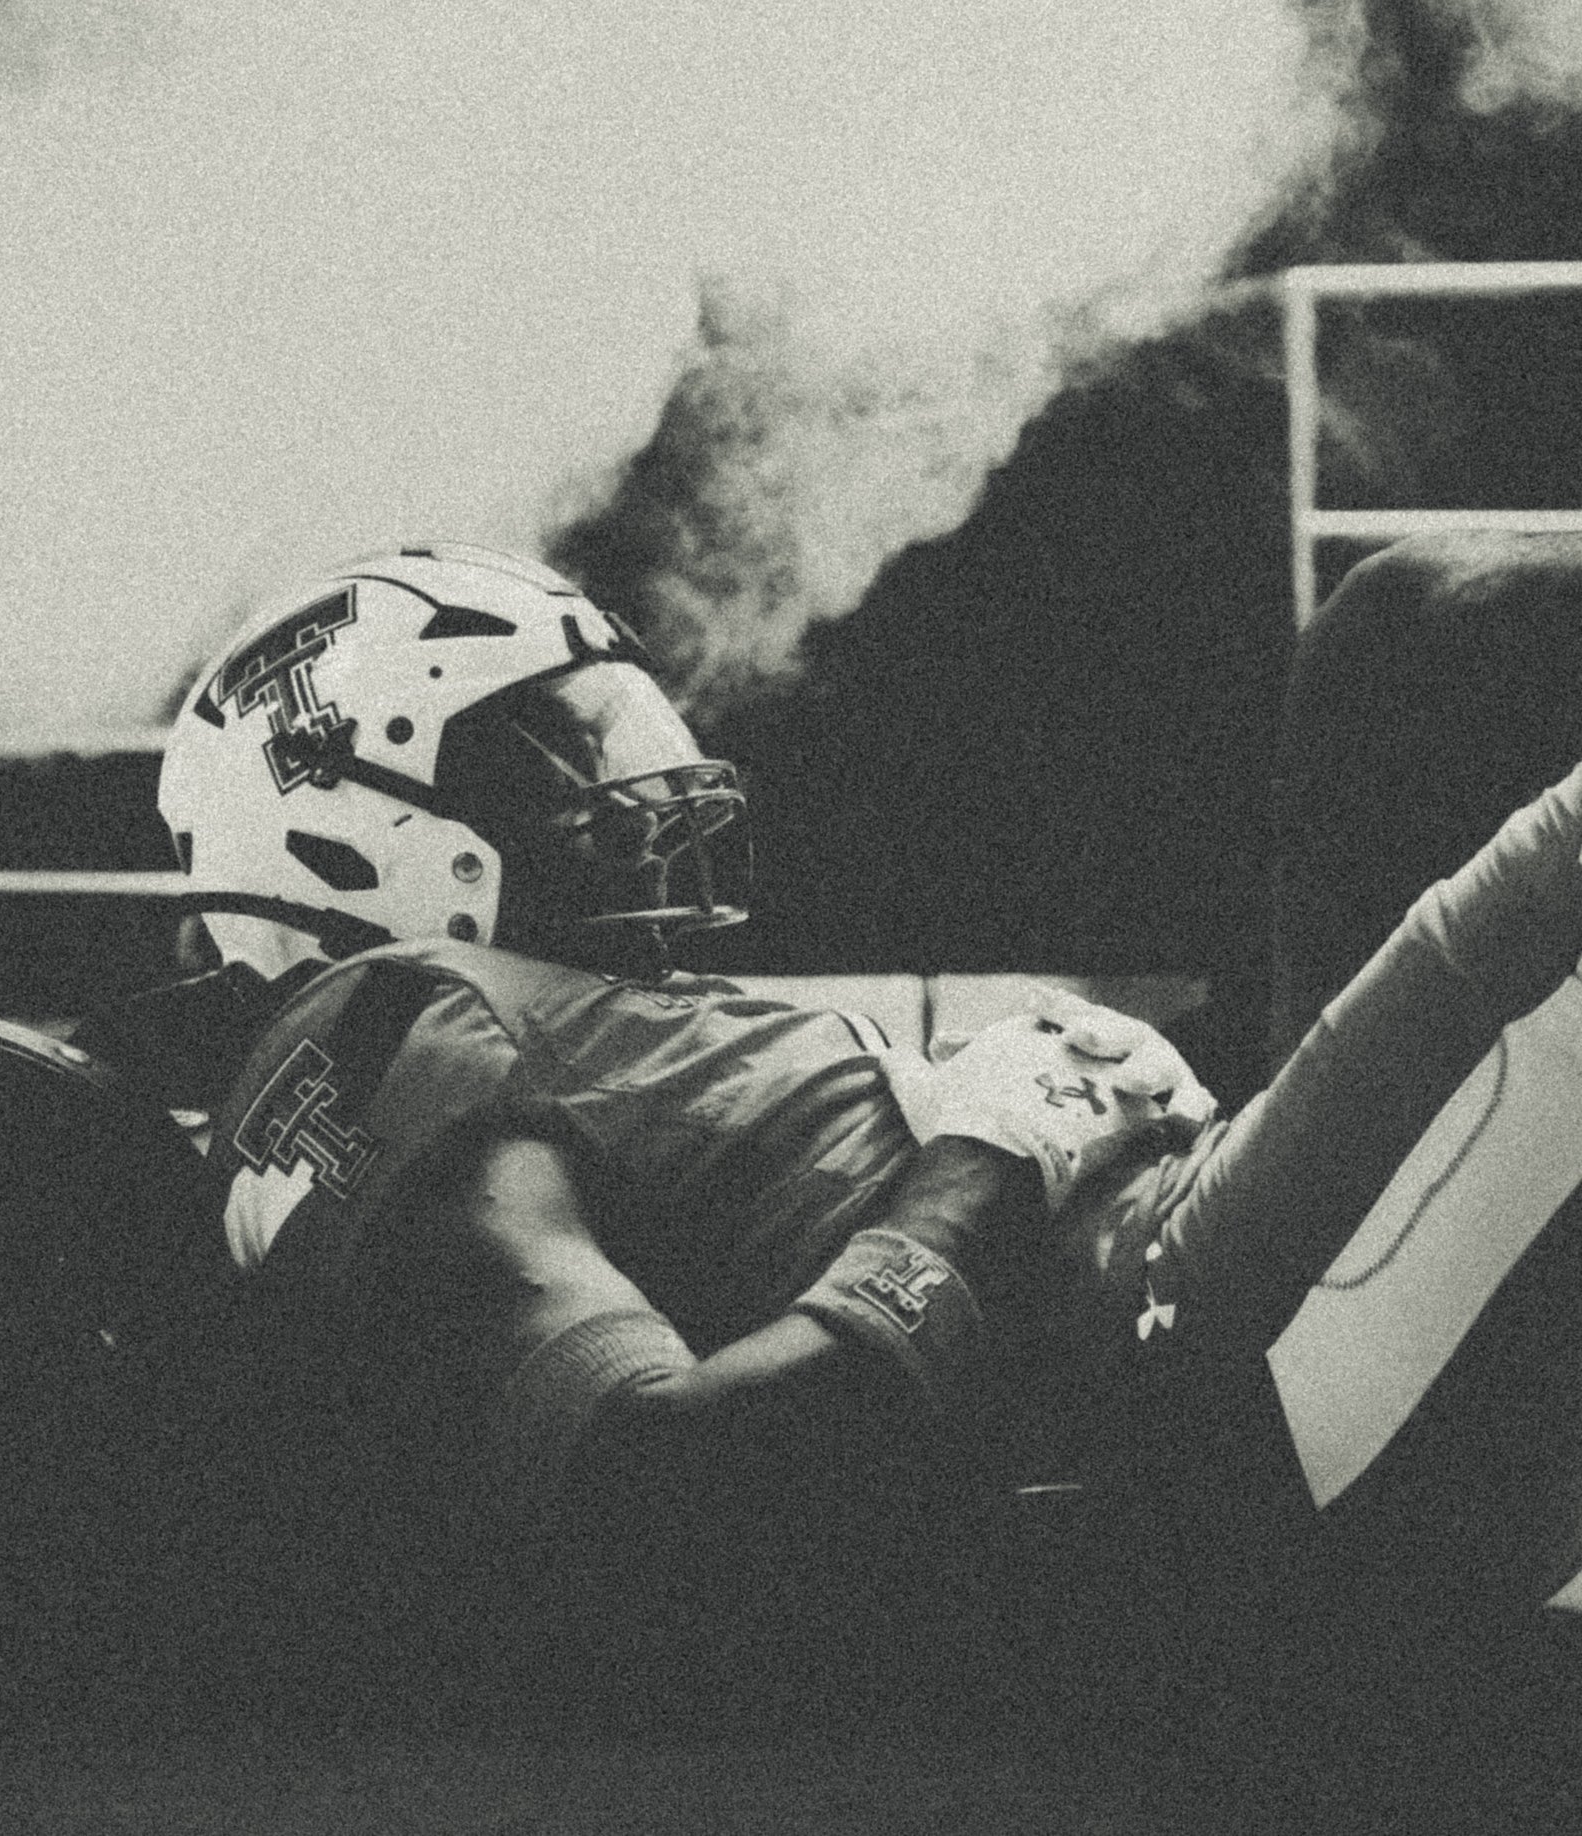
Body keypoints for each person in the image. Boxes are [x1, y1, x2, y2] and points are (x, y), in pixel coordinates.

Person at [82, 539, 1582, 1757]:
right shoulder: (365, 1027)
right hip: (1175, 1361)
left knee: (1429, 631)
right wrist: (997, 1145)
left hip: (1212, 1279)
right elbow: (665, 1502)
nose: (629, 798)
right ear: (356, 830)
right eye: (551, 762)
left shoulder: (559, 1020)